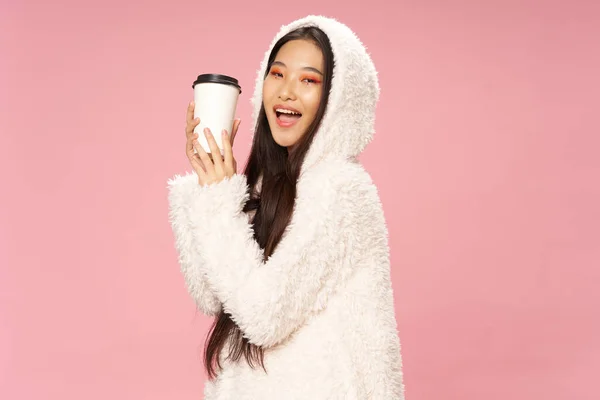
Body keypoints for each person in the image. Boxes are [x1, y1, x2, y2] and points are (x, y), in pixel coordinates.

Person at [167, 15, 405, 399]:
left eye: (309, 80)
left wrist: (217, 201)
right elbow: (209, 294)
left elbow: (263, 315)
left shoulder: (342, 190)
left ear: (339, 99)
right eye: (277, 74)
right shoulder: (272, 186)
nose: (286, 92)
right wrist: (205, 184)